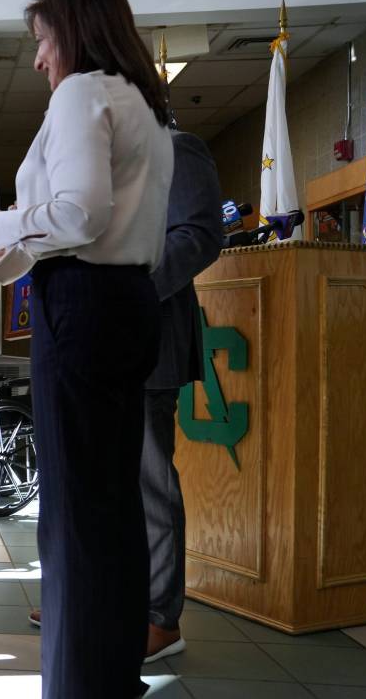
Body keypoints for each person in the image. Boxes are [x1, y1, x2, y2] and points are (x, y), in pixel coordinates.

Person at [0, 0, 174, 696]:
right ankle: (110, 674)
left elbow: (80, 213)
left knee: (74, 518)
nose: (38, 57)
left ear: (75, 28)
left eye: (42, 39)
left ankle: (77, 684)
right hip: (128, 304)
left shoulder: (84, 91)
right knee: (111, 507)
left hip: (82, 307)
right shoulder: (145, 103)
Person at [142, 130, 224, 663]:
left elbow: (198, 234)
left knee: (149, 486)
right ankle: (106, 596)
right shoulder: (100, 155)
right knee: (105, 486)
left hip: (150, 341)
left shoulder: (176, 147)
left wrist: (125, 289)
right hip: (99, 347)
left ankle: (159, 620)